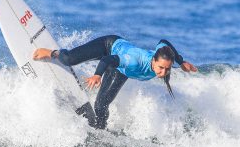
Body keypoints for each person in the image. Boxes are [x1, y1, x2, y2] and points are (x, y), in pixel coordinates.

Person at [32, 35, 197, 129]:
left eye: (167, 69)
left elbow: (165, 42)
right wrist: (97, 75)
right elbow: (107, 59)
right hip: (109, 47)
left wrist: (181, 62)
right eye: (161, 68)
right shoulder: (134, 61)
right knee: (69, 59)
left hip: (120, 69)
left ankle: (100, 133)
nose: (163, 73)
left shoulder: (161, 55)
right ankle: (51, 52)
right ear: (154, 60)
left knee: (100, 106)